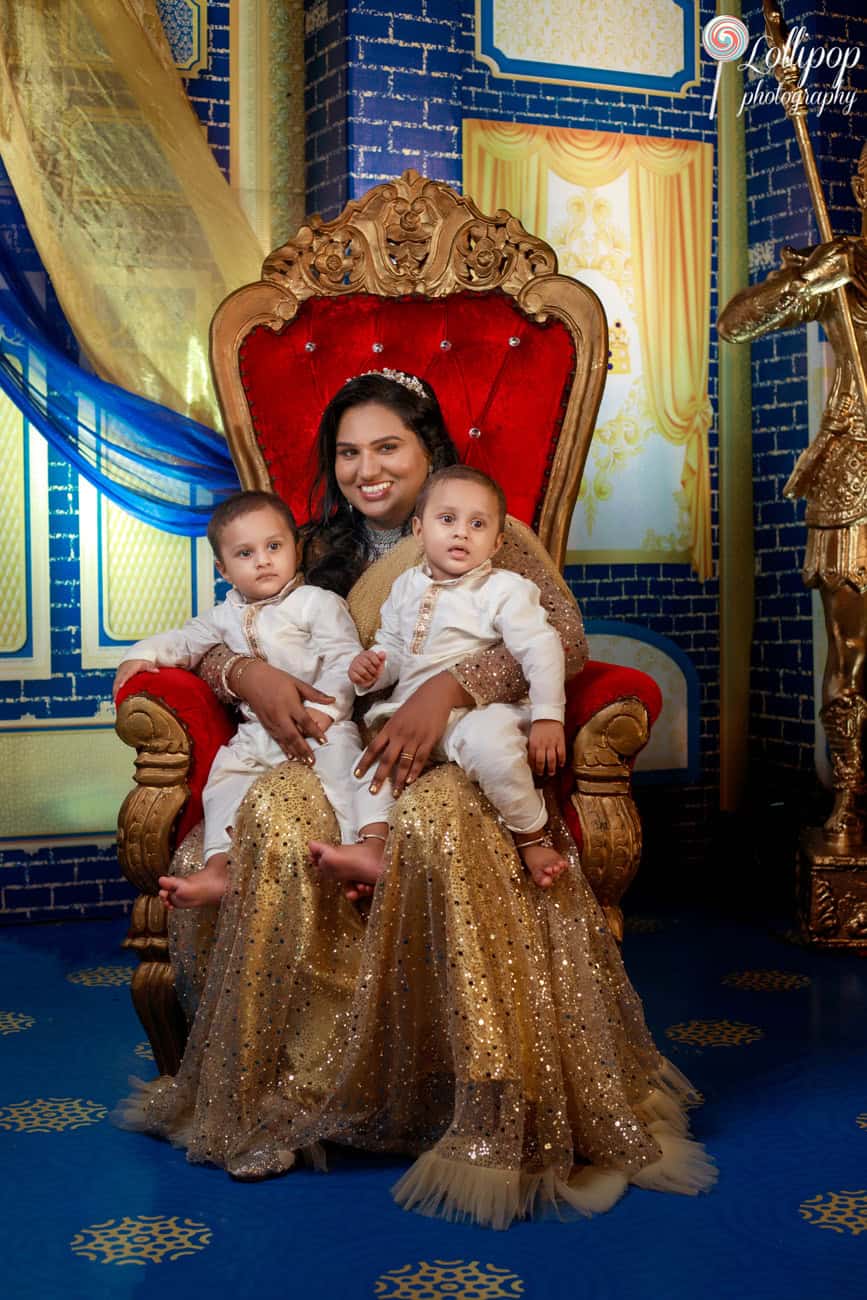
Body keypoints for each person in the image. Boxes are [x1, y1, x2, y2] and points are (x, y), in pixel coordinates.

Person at [119, 370, 715, 1228]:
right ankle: (288, 1092)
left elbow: (566, 640)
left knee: (435, 825)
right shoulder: (304, 544)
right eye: (348, 452)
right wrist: (242, 671)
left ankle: (464, 1093)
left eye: (387, 447)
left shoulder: (485, 534)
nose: (367, 468)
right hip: (331, 745)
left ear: (427, 450)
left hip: (452, 749)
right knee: (279, 821)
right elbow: (229, 626)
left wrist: (454, 690)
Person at [311, 465, 569, 892]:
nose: (461, 533)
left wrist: (547, 716)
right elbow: (392, 648)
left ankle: (532, 837)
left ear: (498, 541)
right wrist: (371, 669)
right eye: (447, 520)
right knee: (368, 767)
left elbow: (542, 647)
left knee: (493, 751)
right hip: (409, 714)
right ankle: (372, 848)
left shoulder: (504, 589)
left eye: (478, 524)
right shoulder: (405, 586)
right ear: (418, 529)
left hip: (477, 711)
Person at [111, 491, 365, 907]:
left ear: (296, 550)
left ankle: (359, 848)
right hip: (256, 736)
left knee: (343, 770)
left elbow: (344, 660)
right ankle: (218, 869)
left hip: (320, 727)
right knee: (223, 783)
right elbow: (183, 642)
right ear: (223, 568)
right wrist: (140, 654)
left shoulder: (315, 603)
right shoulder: (223, 616)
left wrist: (326, 712)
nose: (263, 560)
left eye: (274, 547)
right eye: (245, 553)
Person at [719, 142, 867, 838]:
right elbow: (735, 323)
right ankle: (847, 802)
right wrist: (810, 277)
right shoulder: (844, 270)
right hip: (854, 476)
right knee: (853, 653)